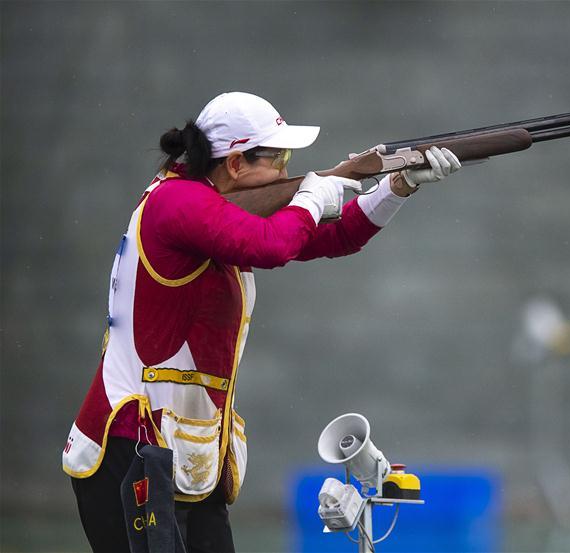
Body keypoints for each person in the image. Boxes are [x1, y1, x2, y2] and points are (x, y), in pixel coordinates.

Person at [62, 91, 462, 552]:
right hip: (132, 449)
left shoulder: (207, 204)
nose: (287, 171)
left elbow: (336, 237)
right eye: (279, 158)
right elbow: (272, 246)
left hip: (182, 457)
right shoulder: (178, 202)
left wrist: (395, 188)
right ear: (236, 164)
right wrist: (312, 197)